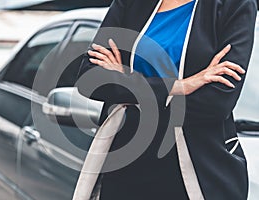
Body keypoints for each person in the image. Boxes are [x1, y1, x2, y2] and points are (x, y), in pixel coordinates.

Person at [76, 0, 258, 199]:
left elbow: (216, 103)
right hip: (125, 167)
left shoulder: (235, 5)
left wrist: (128, 82)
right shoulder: (130, 3)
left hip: (198, 173)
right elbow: (89, 77)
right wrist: (178, 86)